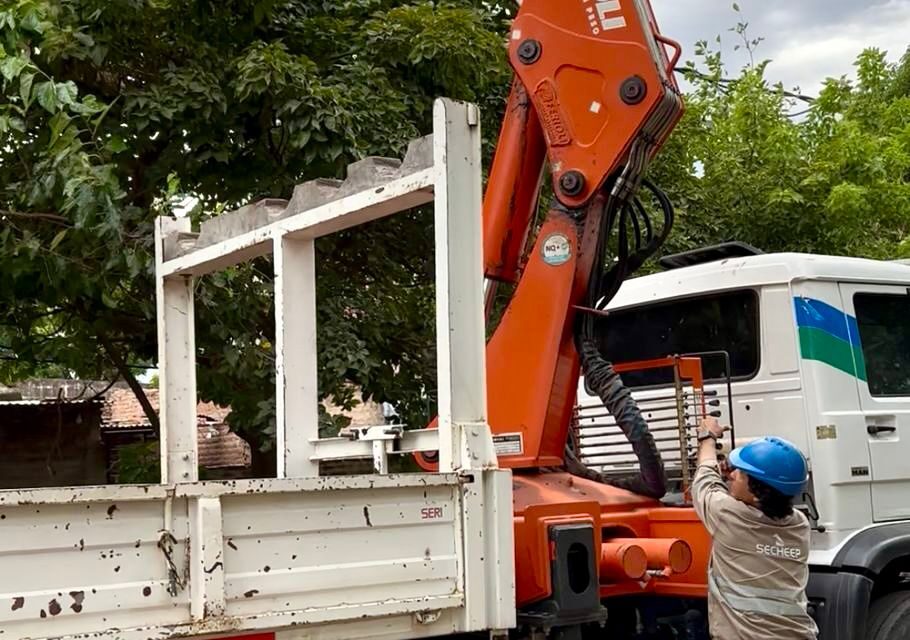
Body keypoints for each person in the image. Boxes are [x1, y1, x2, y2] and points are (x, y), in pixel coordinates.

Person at [692, 417, 818, 639]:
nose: (731, 475)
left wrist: (707, 436)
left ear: (757, 493)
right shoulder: (799, 525)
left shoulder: (727, 516)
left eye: (739, 473)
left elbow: (705, 478)